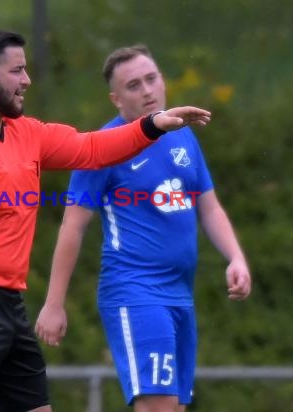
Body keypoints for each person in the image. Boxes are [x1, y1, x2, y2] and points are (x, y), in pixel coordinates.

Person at [0, 28, 211, 412]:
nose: (26, 80)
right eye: (17, 71)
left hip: (8, 302)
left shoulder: (25, 133)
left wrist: (152, 126)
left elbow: (92, 148)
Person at [35, 45, 251, 411]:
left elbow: (208, 205)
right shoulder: (103, 147)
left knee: (174, 407)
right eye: (134, 85)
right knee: (158, 406)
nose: (147, 90)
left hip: (180, 295)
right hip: (135, 291)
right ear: (116, 99)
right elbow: (73, 227)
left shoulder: (184, 136)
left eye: (151, 79)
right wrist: (54, 304)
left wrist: (235, 257)